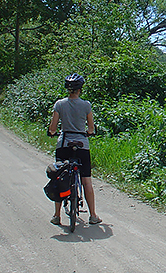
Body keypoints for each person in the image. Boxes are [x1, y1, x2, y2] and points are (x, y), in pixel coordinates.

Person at [47, 73, 102, 226]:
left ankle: (56, 215)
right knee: (86, 181)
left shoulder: (59, 104)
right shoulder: (86, 105)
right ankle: (93, 216)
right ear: (80, 89)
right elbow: (90, 128)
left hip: (64, 144)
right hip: (82, 145)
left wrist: (52, 132)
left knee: (59, 177)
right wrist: (89, 132)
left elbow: (53, 127)